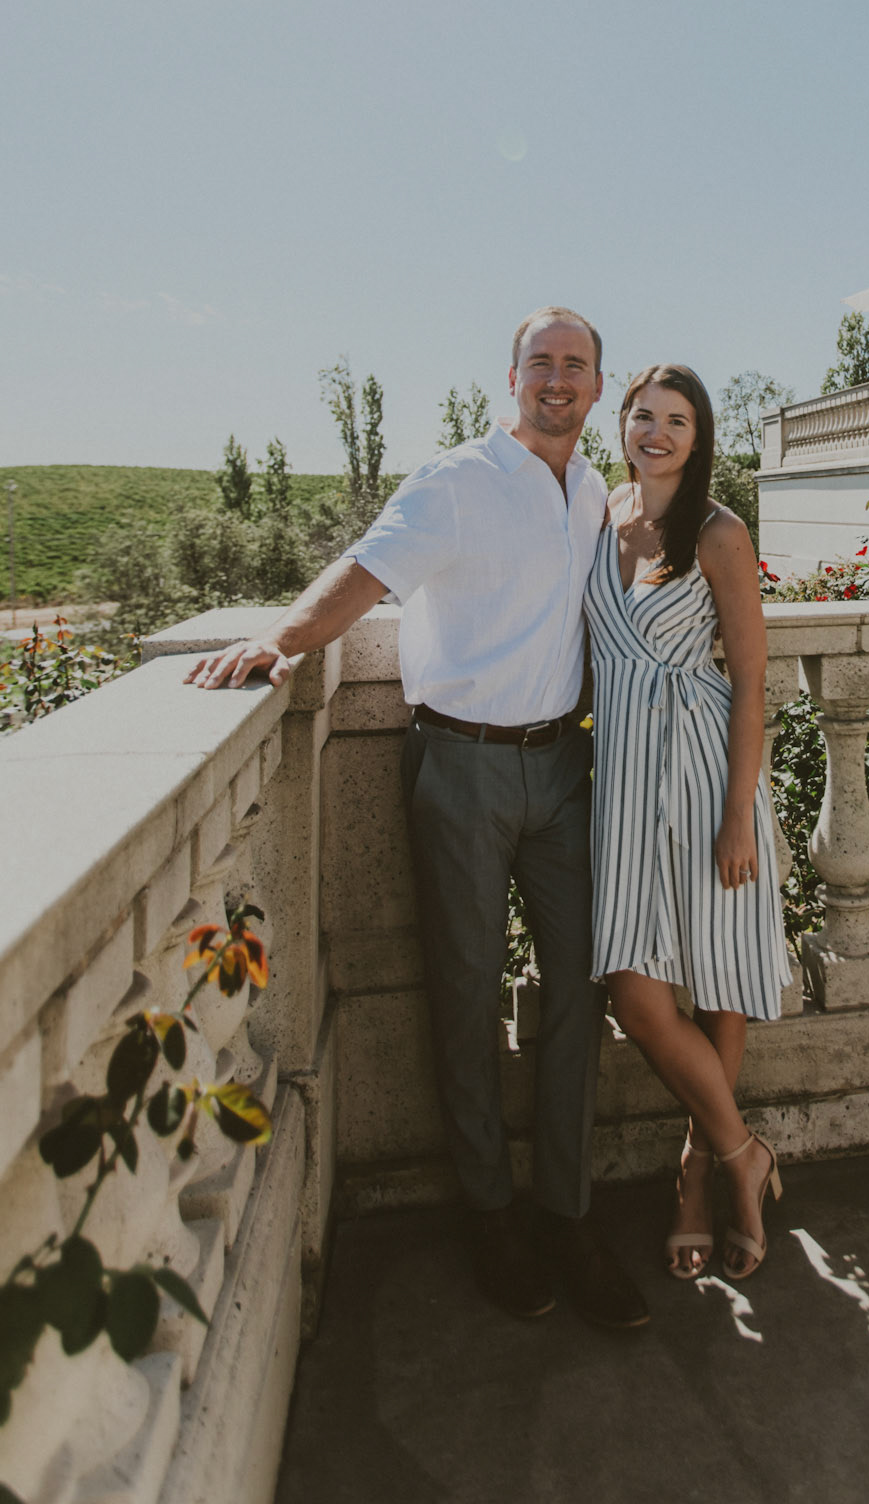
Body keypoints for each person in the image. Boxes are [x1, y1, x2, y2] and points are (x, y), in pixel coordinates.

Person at [184, 308, 648, 1333]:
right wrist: (283, 635)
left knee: (579, 984)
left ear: (599, 384)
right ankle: (491, 1212)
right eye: (542, 362)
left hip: (564, 765)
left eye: (577, 365)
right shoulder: (457, 479)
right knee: (465, 988)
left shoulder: (593, 493)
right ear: (512, 374)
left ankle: (569, 1213)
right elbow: (368, 568)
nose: (558, 379)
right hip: (461, 762)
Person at [587, 364, 791, 1282]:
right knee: (636, 993)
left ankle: (697, 1178)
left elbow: (749, 679)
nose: (657, 431)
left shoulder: (718, 531)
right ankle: (743, 1150)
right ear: (621, 425)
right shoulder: (595, 519)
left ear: (700, 436)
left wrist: (738, 815)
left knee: (717, 981)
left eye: (677, 419)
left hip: (707, 771)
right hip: (623, 780)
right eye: (643, 415)